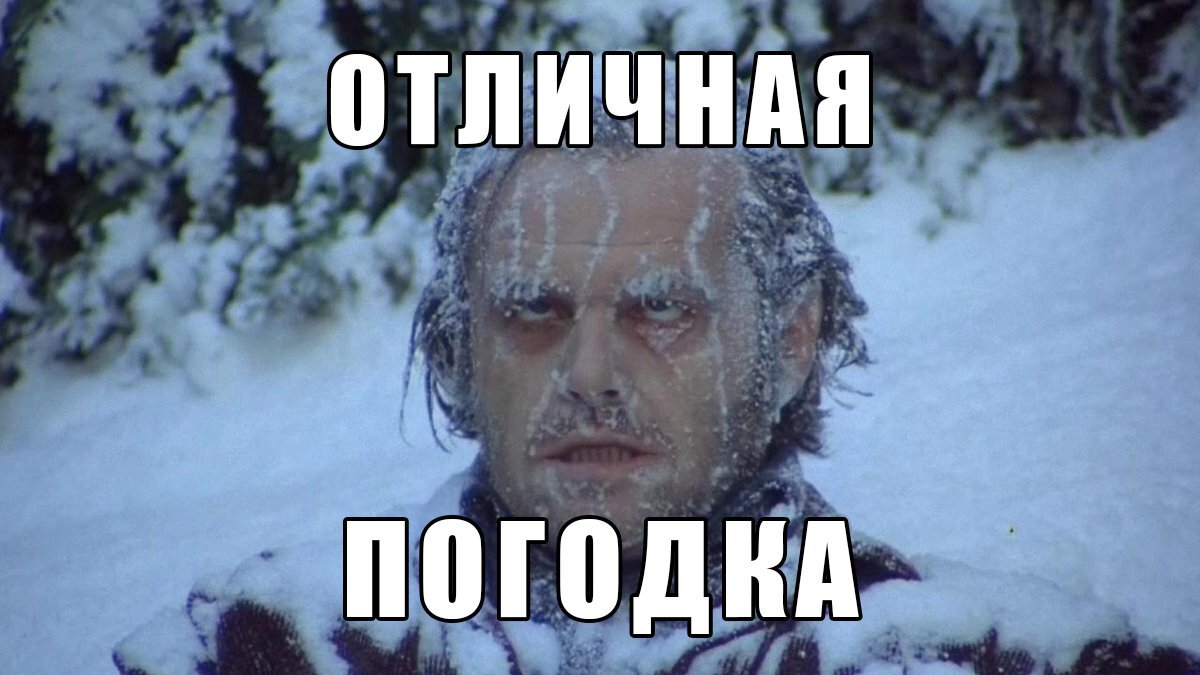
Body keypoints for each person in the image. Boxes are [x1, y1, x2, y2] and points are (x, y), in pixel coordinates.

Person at [114, 90, 1199, 675]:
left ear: (792, 340)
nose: (590, 376)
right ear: (457, 350)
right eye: (532, 312)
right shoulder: (284, 641)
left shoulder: (955, 650)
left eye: (662, 309)